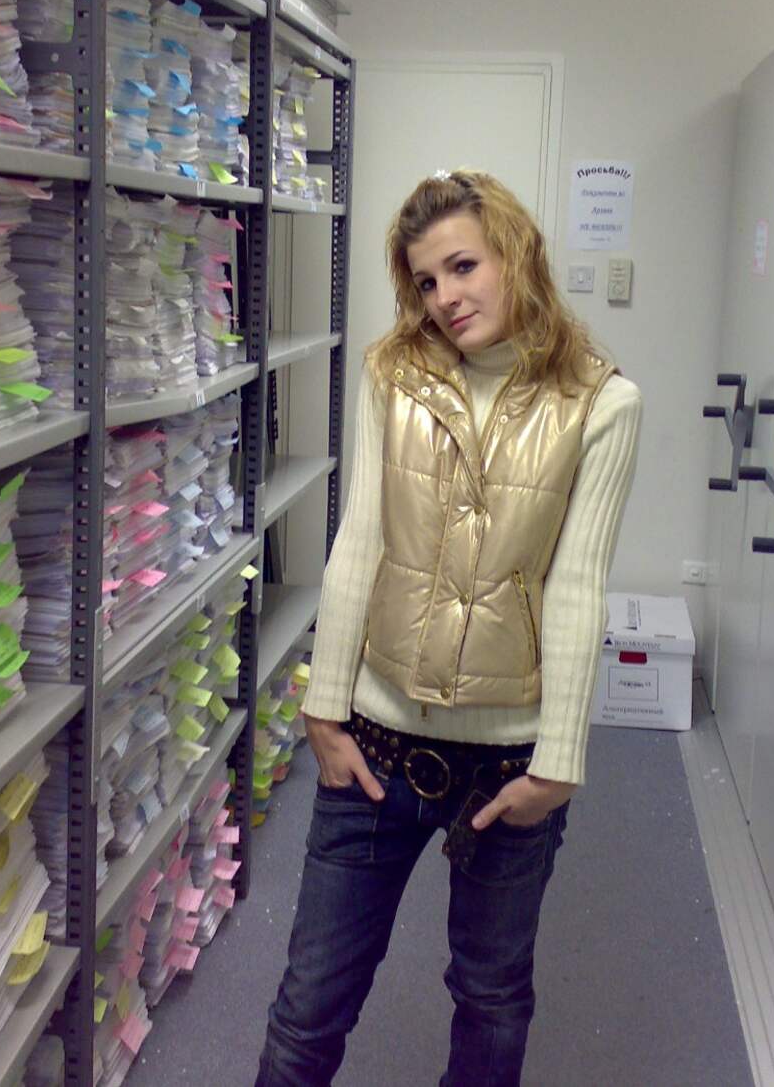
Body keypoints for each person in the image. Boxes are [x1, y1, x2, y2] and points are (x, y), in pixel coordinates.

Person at [255, 169, 642, 1087]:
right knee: (309, 1005)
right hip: (376, 749)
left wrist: (559, 762)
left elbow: (577, 587)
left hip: (509, 769)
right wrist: (323, 708)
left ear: (515, 253)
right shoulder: (393, 375)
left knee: (492, 1000)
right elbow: (360, 540)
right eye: (426, 280)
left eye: (464, 266)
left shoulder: (602, 402)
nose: (445, 297)